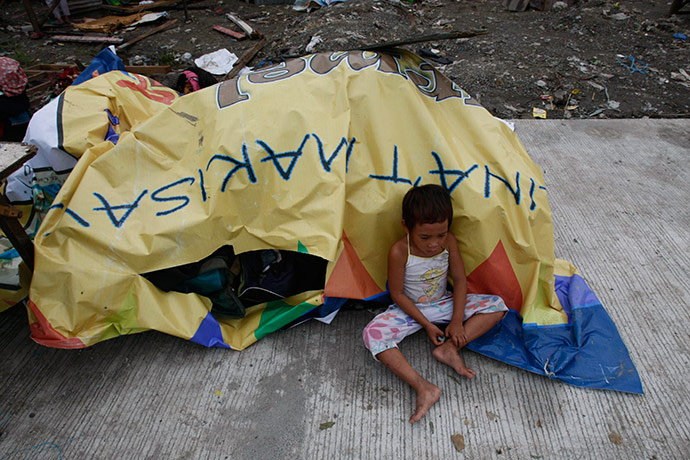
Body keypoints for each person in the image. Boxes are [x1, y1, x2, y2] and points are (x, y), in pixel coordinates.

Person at [362, 184, 508, 424]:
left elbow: (460, 281)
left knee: (497, 305)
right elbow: (397, 294)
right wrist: (426, 324)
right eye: (425, 237)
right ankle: (423, 387)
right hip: (410, 310)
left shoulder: (449, 242)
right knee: (372, 335)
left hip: (443, 303)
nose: (434, 244)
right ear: (406, 227)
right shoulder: (400, 251)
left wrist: (457, 322)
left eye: (440, 235)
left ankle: (449, 349)